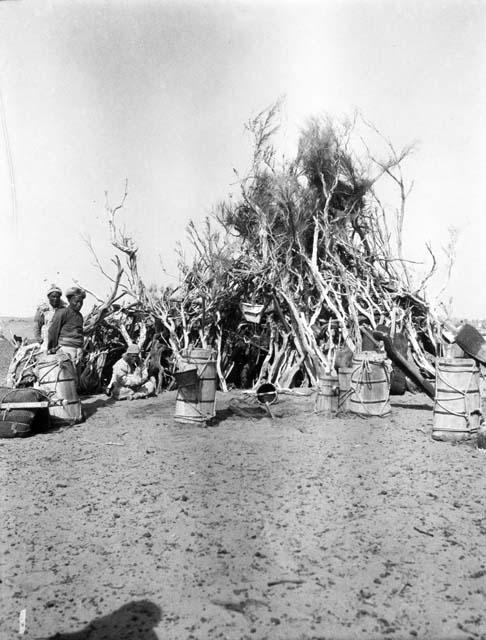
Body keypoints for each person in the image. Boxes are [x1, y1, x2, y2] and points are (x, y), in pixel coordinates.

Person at [47, 287, 86, 366]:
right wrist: (52, 348)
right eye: (77, 301)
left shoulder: (80, 316)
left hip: (78, 350)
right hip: (66, 349)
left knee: (76, 376)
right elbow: (53, 331)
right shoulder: (62, 313)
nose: (79, 304)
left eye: (81, 302)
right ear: (69, 300)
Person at [33, 284, 66, 351]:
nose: (55, 299)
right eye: (53, 297)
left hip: (60, 340)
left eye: (58, 297)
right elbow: (37, 325)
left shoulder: (64, 309)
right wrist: (39, 339)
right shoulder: (43, 309)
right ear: (48, 297)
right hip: (46, 340)